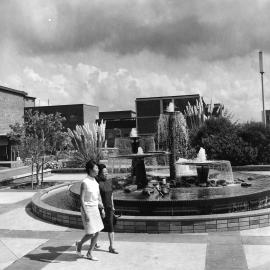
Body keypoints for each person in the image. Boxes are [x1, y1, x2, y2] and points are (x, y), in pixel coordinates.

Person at [75, 160, 105, 261]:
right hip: (87, 209)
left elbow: (98, 196)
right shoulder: (85, 182)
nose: (98, 170)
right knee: (91, 233)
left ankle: (89, 253)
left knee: (97, 232)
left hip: (95, 209)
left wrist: (102, 208)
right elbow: (81, 199)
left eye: (97, 168)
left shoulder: (95, 181)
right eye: (96, 168)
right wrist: (86, 213)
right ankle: (79, 244)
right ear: (90, 170)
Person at [96, 163, 119, 254]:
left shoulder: (109, 181)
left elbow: (111, 194)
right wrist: (101, 209)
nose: (106, 173)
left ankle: (111, 246)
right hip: (101, 208)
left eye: (107, 172)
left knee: (111, 227)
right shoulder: (97, 183)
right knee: (97, 227)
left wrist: (113, 206)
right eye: (104, 172)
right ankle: (93, 242)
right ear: (99, 173)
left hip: (109, 208)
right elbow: (98, 197)